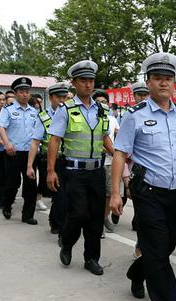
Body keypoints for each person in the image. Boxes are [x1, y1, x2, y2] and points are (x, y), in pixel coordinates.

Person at [110, 52, 176, 301]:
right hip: (148, 192)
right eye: (158, 78)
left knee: (165, 245)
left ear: (174, 83)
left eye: (168, 78)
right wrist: (116, 194)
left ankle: (136, 272)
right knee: (158, 251)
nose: (163, 83)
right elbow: (120, 154)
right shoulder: (136, 116)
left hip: (175, 192)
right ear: (149, 81)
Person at [47, 60, 113, 276]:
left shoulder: (102, 109)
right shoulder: (65, 109)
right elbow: (55, 140)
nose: (88, 84)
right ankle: (66, 243)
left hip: (97, 170)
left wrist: (119, 155)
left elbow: (105, 138)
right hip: (73, 171)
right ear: (73, 83)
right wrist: (51, 171)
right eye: (83, 80)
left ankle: (91, 258)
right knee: (78, 214)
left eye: (91, 80)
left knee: (95, 217)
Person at [0, 77, 40, 225]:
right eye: (21, 91)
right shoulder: (8, 110)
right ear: (15, 93)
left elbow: (37, 131)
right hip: (13, 152)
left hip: (30, 154)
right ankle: (7, 204)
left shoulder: (34, 111)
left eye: (27, 91)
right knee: (12, 183)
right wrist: (7, 143)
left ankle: (27, 215)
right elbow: (1, 127)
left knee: (31, 185)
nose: (25, 94)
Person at [29, 83, 69, 235]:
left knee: (66, 196)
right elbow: (35, 142)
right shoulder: (43, 117)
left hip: (71, 159)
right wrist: (29, 165)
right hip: (53, 161)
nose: (62, 100)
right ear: (51, 97)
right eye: (58, 97)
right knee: (59, 195)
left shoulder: (72, 112)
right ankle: (59, 225)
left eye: (64, 97)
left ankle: (56, 219)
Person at [92, 90, 119, 234]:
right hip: (96, 161)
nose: (101, 105)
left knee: (110, 193)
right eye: (98, 102)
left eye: (104, 102)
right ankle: (97, 223)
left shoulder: (112, 119)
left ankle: (104, 217)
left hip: (111, 162)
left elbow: (117, 135)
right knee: (97, 195)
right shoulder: (90, 118)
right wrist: (108, 150)